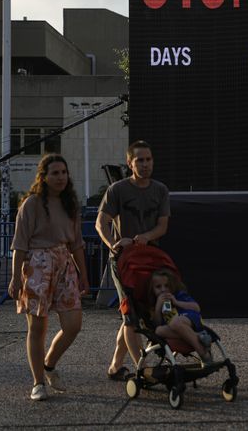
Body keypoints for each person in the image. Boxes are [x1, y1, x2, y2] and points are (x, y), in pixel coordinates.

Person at [8, 154, 90, 401]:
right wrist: (14, 278)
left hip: (64, 263)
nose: (60, 177)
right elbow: (19, 244)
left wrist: (84, 275)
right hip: (37, 264)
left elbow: (77, 244)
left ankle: (49, 364)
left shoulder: (70, 204)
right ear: (43, 177)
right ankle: (38, 382)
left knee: (73, 325)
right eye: (54, 173)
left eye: (63, 172)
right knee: (38, 327)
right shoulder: (31, 204)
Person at [95, 140, 170, 380]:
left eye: (148, 159)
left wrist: (146, 237)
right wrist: (113, 244)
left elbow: (162, 226)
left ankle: (116, 366)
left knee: (141, 310)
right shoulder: (117, 189)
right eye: (140, 160)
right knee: (130, 315)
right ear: (130, 163)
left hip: (149, 258)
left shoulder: (160, 190)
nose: (145, 164)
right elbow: (101, 222)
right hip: (124, 261)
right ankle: (142, 368)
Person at [150, 268, 212, 364]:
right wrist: (158, 306)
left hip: (189, 319)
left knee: (175, 322)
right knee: (158, 330)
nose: (163, 290)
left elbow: (196, 308)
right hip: (176, 329)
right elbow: (156, 323)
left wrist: (176, 302)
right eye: (158, 287)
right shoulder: (154, 303)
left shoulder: (179, 295)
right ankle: (198, 337)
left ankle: (203, 353)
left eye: (167, 286)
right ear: (152, 289)